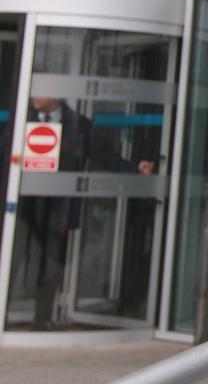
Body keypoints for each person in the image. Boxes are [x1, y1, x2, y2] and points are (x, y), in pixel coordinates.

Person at [16, 96, 153, 329]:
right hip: (23, 205)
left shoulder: (79, 126)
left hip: (58, 207)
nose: (35, 96)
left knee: (50, 264)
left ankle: (42, 318)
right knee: (12, 256)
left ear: (58, 95)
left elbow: (105, 156)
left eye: (43, 92)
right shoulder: (23, 119)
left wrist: (135, 171)